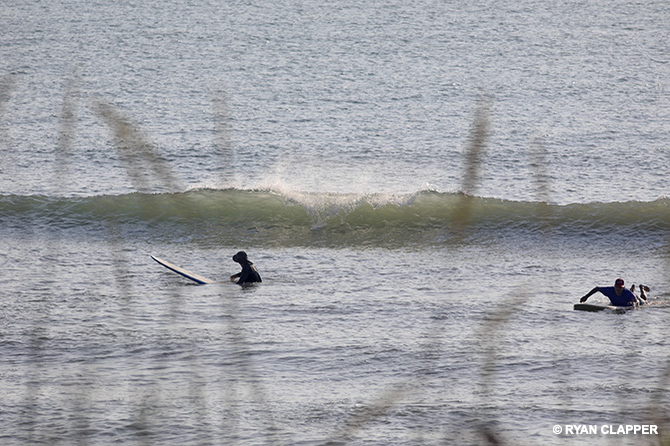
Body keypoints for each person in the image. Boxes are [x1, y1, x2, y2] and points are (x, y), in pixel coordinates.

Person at [579, 278, 649, 306]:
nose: (618, 289)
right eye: (617, 287)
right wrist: (586, 296)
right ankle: (632, 289)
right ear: (614, 286)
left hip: (633, 298)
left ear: (623, 287)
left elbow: (637, 302)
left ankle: (641, 288)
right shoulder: (610, 290)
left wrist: (634, 308)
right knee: (631, 294)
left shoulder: (628, 294)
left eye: (620, 287)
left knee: (645, 302)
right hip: (628, 295)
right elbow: (597, 288)